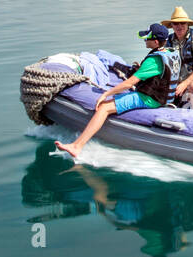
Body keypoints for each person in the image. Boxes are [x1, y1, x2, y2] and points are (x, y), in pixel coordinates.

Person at [54, 23, 173, 160]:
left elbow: (129, 83)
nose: (144, 40)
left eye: (147, 38)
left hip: (150, 99)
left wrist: (106, 94)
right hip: (165, 98)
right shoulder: (170, 53)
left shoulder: (154, 60)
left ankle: (76, 146)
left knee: (104, 107)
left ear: (156, 42)